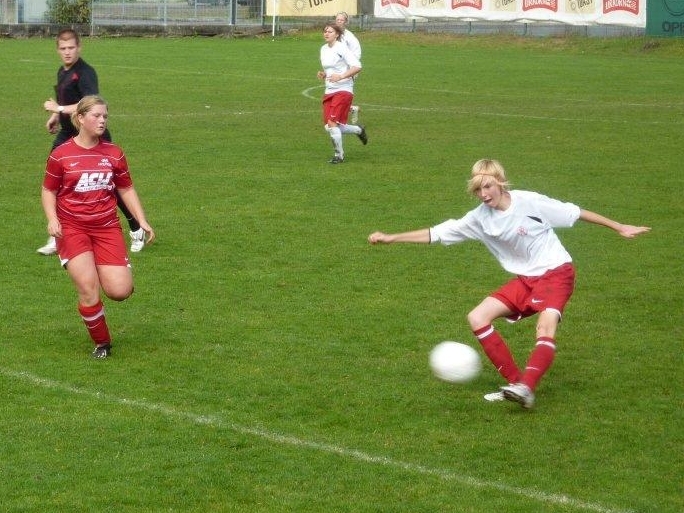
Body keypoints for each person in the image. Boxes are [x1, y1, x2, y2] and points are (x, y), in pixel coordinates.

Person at [367, 159, 650, 409]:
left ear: (501, 182)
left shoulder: (530, 202)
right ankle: (516, 384)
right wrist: (393, 237)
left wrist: (619, 226)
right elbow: (437, 233)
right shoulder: (478, 218)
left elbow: (576, 212)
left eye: (488, 186)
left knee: (545, 326)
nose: (483, 194)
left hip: (556, 273)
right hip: (525, 280)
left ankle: (526, 387)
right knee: (477, 317)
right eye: (478, 190)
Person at [41, 95, 155, 358]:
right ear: (80, 118)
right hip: (72, 228)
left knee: (119, 290)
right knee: (88, 288)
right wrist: (52, 219)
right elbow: (48, 191)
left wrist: (141, 219)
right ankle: (103, 343)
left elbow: (125, 188)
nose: (102, 120)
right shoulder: (61, 155)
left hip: (106, 228)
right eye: (97, 116)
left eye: (105, 116)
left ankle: (114, 278)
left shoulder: (114, 153)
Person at [38, 28, 147, 256]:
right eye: (63, 48)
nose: (67, 53)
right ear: (58, 50)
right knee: (57, 183)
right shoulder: (63, 71)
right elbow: (65, 100)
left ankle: (136, 228)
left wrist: (57, 108)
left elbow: (89, 106)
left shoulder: (85, 73)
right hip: (67, 135)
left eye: (71, 48)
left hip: (92, 137)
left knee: (110, 186)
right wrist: (56, 116)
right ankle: (56, 232)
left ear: (79, 48)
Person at [317, 22, 368, 164]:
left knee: (332, 123)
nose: (326, 33)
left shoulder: (342, 48)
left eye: (330, 31)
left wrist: (341, 77)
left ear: (337, 34)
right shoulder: (323, 49)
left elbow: (357, 66)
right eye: (325, 31)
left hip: (343, 90)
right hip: (329, 90)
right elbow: (331, 69)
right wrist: (324, 74)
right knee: (329, 126)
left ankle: (339, 156)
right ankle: (358, 130)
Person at [335, 11, 362, 125]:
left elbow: (357, 53)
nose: (339, 22)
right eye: (337, 20)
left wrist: (351, 68)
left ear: (346, 22)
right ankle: (352, 109)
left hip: (348, 70)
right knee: (336, 93)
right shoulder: (333, 34)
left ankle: (337, 120)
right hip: (336, 69)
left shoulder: (350, 37)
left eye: (341, 20)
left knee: (341, 94)